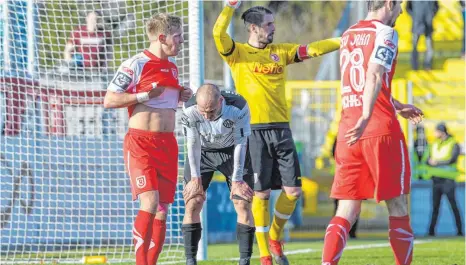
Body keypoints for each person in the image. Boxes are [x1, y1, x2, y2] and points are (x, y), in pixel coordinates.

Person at [213, 1, 340, 264]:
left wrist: (342, 41)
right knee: (261, 195)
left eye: (273, 23)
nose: (274, 28)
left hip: (282, 130)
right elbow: (218, 34)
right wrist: (228, 7)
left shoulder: (280, 52)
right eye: (268, 24)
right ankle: (264, 255)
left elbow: (312, 50)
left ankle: (275, 237)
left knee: (293, 191)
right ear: (253, 28)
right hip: (254, 132)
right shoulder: (237, 53)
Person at [322, 1, 424, 265]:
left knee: (347, 208)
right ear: (388, 3)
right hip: (378, 128)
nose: (402, 11)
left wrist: (397, 105)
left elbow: (358, 84)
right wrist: (368, 115)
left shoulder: (348, 34)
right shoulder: (386, 33)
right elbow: (374, 76)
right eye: (399, 5)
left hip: (348, 130)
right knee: (398, 206)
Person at [103, 13, 192, 265]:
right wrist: (142, 96)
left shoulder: (173, 68)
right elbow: (109, 100)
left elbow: (165, 102)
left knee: (162, 210)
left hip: (168, 144)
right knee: (150, 202)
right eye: (177, 36)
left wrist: (183, 95)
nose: (182, 40)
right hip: (141, 143)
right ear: (162, 38)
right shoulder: (135, 64)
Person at [181, 84, 255, 265]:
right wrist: (195, 179)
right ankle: (190, 261)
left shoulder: (238, 107)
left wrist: (237, 179)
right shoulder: (189, 108)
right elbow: (192, 143)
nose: (207, 116)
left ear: (220, 100)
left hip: (232, 151)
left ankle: (244, 261)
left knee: (242, 201)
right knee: (193, 201)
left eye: (212, 111)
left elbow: (241, 143)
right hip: (203, 152)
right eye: (203, 112)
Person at [427, 122, 463, 236]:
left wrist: (436, 163)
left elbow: (452, 159)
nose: (434, 133)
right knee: (435, 207)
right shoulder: (434, 144)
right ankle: (431, 232)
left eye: (436, 131)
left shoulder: (453, 144)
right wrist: (430, 162)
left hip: (448, 180)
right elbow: (427, 159)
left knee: (453, 206)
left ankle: (460, 231)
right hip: (436, 180)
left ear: (441, 132)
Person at [331, 140, 359, 239]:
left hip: (346, 175)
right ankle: (341, 232)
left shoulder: (341, 135)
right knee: (346, 206)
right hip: (342, 175)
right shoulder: (341, 136)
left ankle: (347, 232)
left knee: (352, 205)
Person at [406, 0, 439, 70]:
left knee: (429, 47)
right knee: (414, 46)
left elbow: (437, 7)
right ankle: (414, 66)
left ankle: (428, 65)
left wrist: (431, 15)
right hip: (417, 24)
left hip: (428, 24)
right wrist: (414, 16)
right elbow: (408, 8)